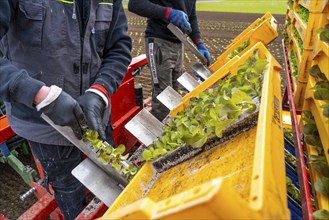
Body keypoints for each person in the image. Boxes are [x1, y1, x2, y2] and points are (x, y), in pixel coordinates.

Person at [0, 0, 132, 219]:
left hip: (95, 115)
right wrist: (40, 95)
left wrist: (99, 91)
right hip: (44, 125)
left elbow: (119, 48)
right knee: (73, 199)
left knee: (115, 184)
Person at [128, 0, 211, 121]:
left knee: (174, 96)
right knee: (163, 98)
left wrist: (199, 43)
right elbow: (135, 4)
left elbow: (191, 16)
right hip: (159, 42)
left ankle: (169, 131)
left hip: (178, 43)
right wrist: (168, 13)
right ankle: (156, 137)